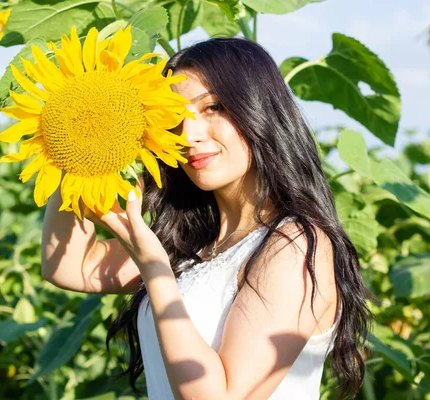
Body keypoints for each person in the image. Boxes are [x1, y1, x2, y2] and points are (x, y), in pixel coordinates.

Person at [41, 37, 373, 400]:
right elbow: (69, 265)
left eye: (213, 107)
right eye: (175, 119)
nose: (189, 135)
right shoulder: (196, 242)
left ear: (258, 110)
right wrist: (79, 145)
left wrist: (153, 267)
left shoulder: (295, 246)